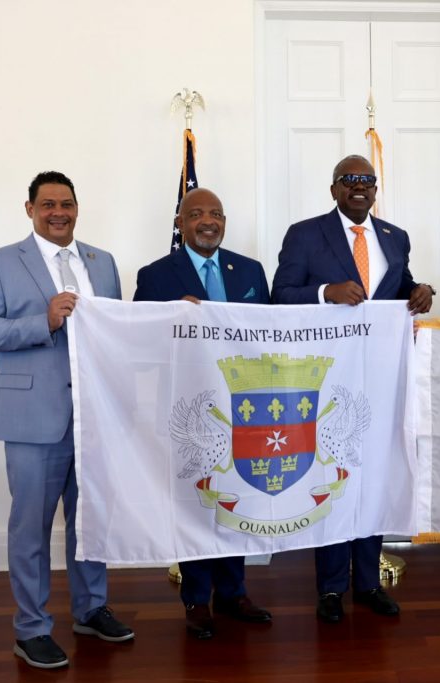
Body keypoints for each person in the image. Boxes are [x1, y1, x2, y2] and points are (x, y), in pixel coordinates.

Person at [0, 171, 133, 669]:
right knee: (31, 529)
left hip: (94, 418)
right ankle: (32, 628)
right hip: (32, 419)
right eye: (48, 204)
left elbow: (117, 329)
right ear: (30, 209)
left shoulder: (102, 262)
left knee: (91, 520)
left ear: (77, 208)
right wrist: (44, 320)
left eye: (67, 204)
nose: (59, 212)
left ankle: (91, 609)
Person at [271, 154, 434, 623]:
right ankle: (329, 588)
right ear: (334, 189)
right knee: (332, 475)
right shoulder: (305, 234)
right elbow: (280, 295)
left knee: (374, 475)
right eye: (349, 180)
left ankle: (367, 583)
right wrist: (326, 291)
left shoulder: (395, 237)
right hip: (328, 379)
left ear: (375, 190)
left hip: (381, 377)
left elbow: (399, 289)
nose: (359, 186)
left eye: (367, 180)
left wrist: (420, 291)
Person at [134, 187, 272, 639]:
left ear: (225, 222)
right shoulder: (155, 276)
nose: (207, 221)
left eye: (215, 213)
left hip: (242, 408)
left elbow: (270, 334)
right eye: (196, 214)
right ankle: (196, 598)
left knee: (236, 498)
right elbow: (139, 346)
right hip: (186, 410)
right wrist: (172, 318)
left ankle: (233, 592)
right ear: (180, 223)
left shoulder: (250, 271)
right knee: (194, 504)